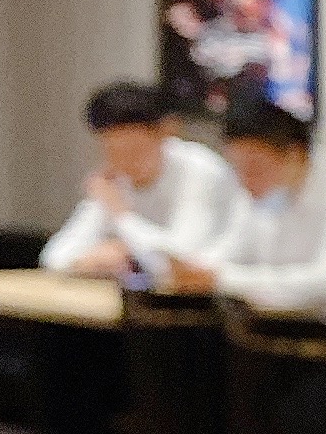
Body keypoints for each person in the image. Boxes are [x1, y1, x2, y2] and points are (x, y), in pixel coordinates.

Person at [168, 90, 326, 315]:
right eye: (237, 168)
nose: (245, 180)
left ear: (294, 154)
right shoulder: (257, 191)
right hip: (282, 323)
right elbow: (231, 248)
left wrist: (221, 278)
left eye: (254, 168)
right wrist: (192, 268)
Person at [38, 80, 242, 282]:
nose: (124, 162)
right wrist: (88, 261)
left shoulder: (201, 171)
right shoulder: (113, 179)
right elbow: (53, 257)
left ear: (166, 132)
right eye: (113, 151)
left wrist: (122, 218)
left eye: (134, 150)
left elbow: (183, 261)